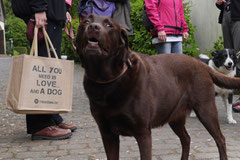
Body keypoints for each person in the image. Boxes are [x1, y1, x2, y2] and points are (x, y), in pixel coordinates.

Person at [11, 0, 77, 140]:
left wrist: (64, 9)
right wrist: (39, 8)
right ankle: (40, 124)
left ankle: (52, 117)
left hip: (51, 10)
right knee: (43, 65)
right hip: (44, 9)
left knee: (50, 67)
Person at [216, 0, 240, 112]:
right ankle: (229, 95)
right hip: (226, 14)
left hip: (238, 16)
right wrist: (219, 3)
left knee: (238, 56)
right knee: (229, 57)